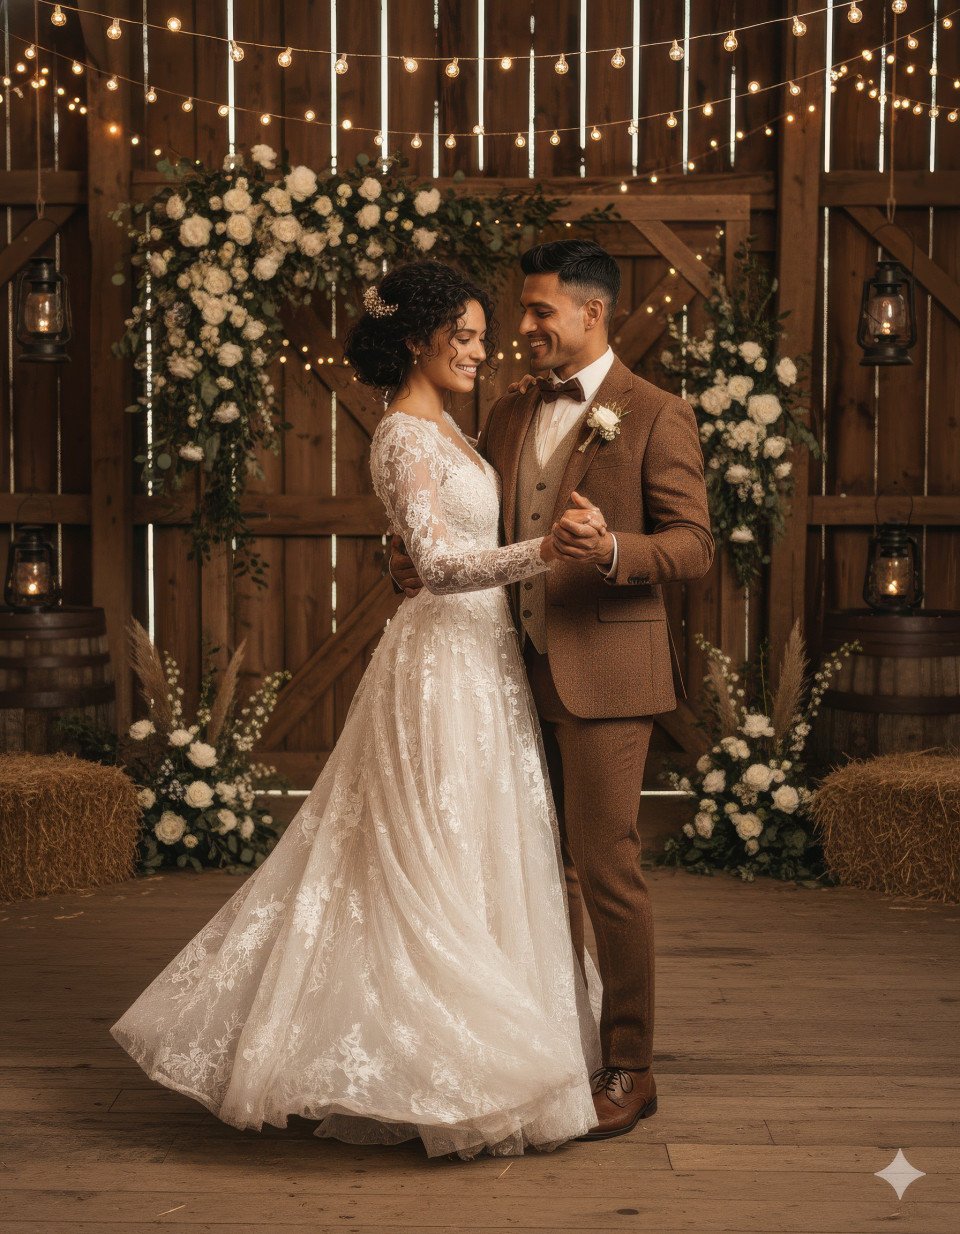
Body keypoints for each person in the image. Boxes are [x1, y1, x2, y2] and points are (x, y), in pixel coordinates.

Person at [109, 260, 603, 1161]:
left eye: (482, 338)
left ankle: (470, 1056)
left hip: (485, 661)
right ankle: (438, 1067)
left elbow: (436, 547)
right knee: (426, 852)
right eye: (462, 336)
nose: (479, 352)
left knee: (481, 845)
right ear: (415, 339)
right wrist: (545, 552)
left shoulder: (454, 427)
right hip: (439, 666)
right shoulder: (403, 436)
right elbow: (440, 566)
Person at [390, 239, 714, 1140]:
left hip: (606, 674)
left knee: (606, 869)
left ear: (591, 313)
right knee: (539, 871)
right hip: (501, 675)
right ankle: (556, 1050)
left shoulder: (655, 413)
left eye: (540, 311)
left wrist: (611, 551)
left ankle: (631, 1066)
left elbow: (693, 544)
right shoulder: (505, 410)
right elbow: (460, 525)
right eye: (523, 310)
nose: (524, 327)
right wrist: (405, 561)